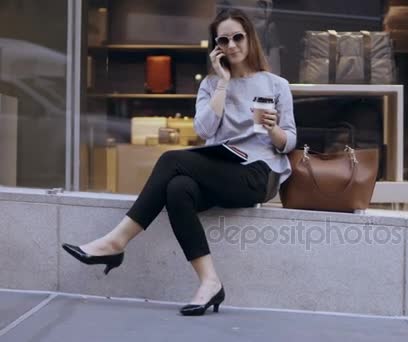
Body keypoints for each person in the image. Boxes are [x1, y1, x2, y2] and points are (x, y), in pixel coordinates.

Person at [61, 8, 297, 317]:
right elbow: (203, 130)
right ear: (217, 47)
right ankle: (210, 282)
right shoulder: (211, 86)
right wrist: (223, 83)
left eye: (238, 37)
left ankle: (116, 242)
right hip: (221, 168)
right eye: (223, 40)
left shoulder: (276, 84)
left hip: (257, 173)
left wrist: (272, 128)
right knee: (178, 188)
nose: (232, 45)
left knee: (171, 159)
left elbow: (289, 141)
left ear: (249, 38)